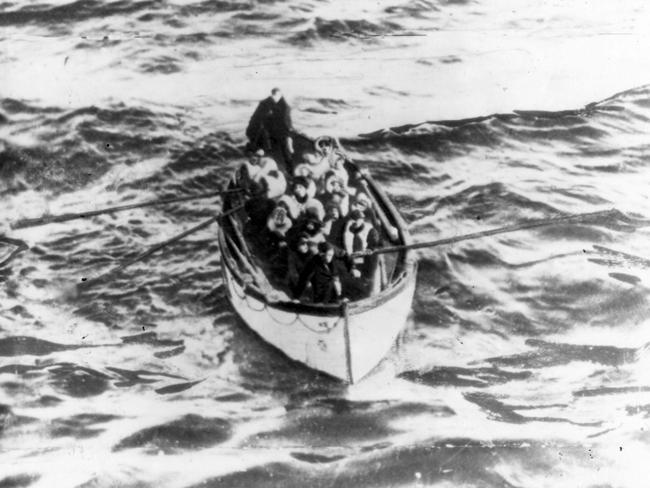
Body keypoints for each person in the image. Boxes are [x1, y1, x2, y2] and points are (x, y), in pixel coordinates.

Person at [246, 88, 294, 171]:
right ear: (272, 95)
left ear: (280, 95)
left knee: (286, 151)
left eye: (277, 95)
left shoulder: (285, 106)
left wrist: (289, 135)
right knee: (262, 150)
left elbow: (287, 122)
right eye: (274, 95)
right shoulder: (264, 104)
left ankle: (290, 171)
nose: (275, 97)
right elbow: (256, 119)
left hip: (280, 132)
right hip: (266, 132)